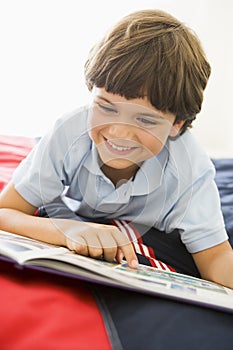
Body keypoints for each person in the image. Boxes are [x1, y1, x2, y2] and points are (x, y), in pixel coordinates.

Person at [0, 9, 233, 288]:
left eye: (145, 120)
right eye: (106, 108)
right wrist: (66, 230)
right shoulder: (69, 133)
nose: (119, 133)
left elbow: (216, 257)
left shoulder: (191, 170)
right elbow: (6, 213)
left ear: (177, 124)